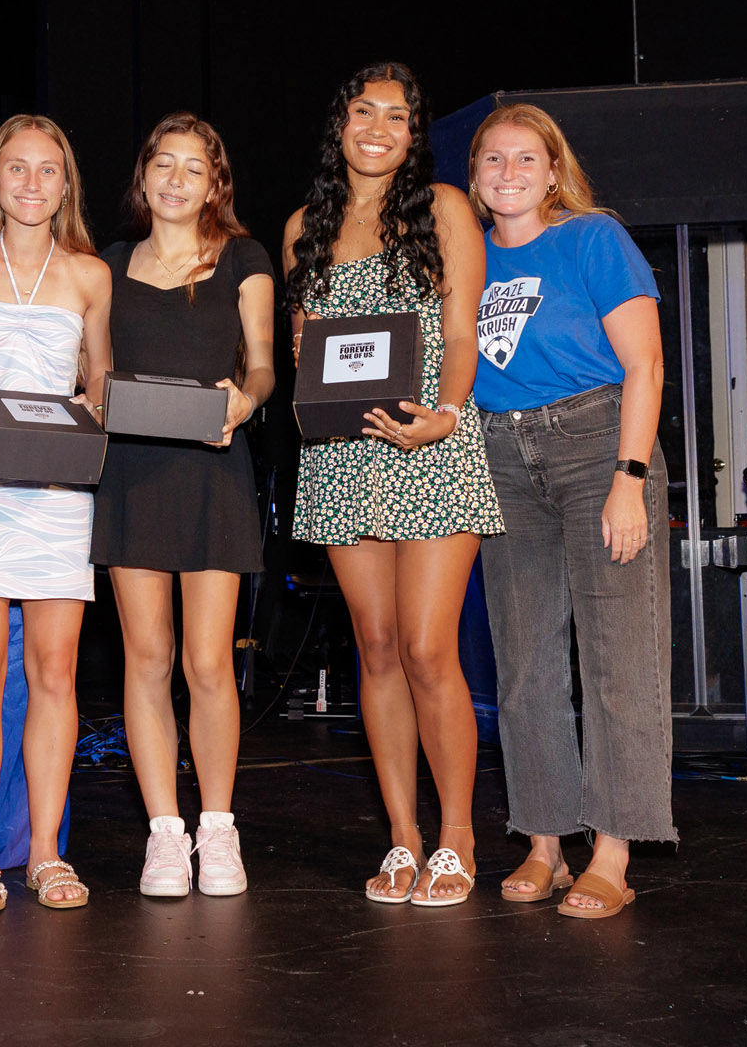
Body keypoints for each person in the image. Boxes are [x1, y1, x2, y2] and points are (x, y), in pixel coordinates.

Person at [283, 62, 501, 908]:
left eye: (397, 117)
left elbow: (460, 330)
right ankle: (404, 839)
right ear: (340, 123)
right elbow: (308, 350)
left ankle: (458, 838)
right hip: (345, 454)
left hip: (431, 445)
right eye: (363, 111)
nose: (378, 128)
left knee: (425, 648)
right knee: (374, 648)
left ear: (415, 135)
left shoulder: (443, 208)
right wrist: (307, 381)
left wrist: (445, 413)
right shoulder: (305, 225)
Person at [467, 103, 673, 919]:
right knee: (524, 662)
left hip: (597, 445)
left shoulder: (593, 238)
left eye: (527, 158)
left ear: (554, 171)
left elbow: (646, 363)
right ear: (474, 177)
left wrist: (629, 476)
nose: (509, 172)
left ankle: (613, 852)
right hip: (500, 455)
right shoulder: (467, 255)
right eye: (493, 159)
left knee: (618, 655)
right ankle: (545, 842)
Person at [91, 113, 275, 899]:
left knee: (207, 661)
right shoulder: (108, 264)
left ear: (214, 183)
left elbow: (263, 367)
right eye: (163, 163)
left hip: (212, 470)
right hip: (128, 476)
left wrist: (245, 402)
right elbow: (96, 374)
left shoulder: (245, 258)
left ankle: (218, 828)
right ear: (144, 174)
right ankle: (165, 833)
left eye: (193, 168)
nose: (175, 179)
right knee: (147, 658)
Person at [0, 115, 112, 912]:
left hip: (58, 492)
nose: (32, 183)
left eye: (48, 169)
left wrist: (93, 405)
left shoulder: (90, 275)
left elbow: (100, 378)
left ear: (66, 183)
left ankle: (44, 852)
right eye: (17, 168)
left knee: (54, 671)